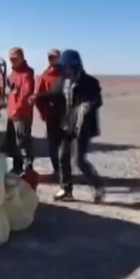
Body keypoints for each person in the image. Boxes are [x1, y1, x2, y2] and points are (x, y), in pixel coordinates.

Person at [36, 50, 105, 202]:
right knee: (63, 157)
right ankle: (66, 189)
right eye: (64, 67)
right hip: (68, 124)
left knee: (79, 161)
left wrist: (87, 106)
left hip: (83, 127)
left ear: (75, 65)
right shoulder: (63, 81)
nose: (65, 70)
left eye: (67, 67)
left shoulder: (90, 82)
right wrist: (37, 96)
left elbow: (98, 100)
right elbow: (53, 93)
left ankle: (98, 187)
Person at [4, 47, 36, 174]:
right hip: (12, 114)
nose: (13, 61)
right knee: (12, 143)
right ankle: (17, 166)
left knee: (23, 143)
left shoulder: (26, 74)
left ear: (22, 58)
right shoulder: (12, 74)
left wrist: (18, 109)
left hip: (21, 115)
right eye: (11, 58)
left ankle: (28, 170)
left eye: (15, 58)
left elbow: (25, 94)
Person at [35, 49, 64, 181]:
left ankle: (65, 170)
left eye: (55, 57)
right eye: (50, 57)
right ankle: (57, 169)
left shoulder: (66, 74)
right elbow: (39, 97)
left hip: (66, 115)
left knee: (65, 144)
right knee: (53, 144)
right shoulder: (44, 76)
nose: (52, 59)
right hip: (51, 115)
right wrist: (43, 112)